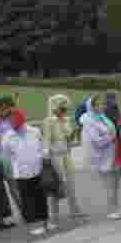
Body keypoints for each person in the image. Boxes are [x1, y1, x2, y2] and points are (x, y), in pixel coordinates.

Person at [1, 114, 52, 236]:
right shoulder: (7, 136)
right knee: (28, 200)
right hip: (21, 173)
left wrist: (44, 155)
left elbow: (43, 146)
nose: (15, 127)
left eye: (17, 125)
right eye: (12, 124)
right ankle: (36, 225)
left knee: (41, 198)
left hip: (37, 169)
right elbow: (6, 154)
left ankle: (45, 223)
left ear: (22, 122)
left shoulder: (34, 131)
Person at [43, 94, 85, 222]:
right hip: (55, 156)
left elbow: (69, 139)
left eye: (66, 109)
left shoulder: (66, 120)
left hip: (66, 154)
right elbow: (47, 141)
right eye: (62, 109)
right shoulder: (49, 121)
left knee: (71, 182)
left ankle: (75, 210)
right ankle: (53, 213)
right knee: (55, 184)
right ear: (55, 108)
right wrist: (46, 158)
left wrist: (75, 133)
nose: (64, 111)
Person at [80, 95, 121, 220]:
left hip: (113, 154)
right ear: (92, 107)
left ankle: (115, 208)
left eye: (102, 104)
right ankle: (112, 210)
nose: (102, 106)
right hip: (103, 157)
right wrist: (111, 137)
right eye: (98, 104)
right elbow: (97, 141)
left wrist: (113, 136)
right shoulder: (89, 121)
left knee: (115, 184)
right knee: (109, 184)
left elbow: (112, 131)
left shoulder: (103, 118)